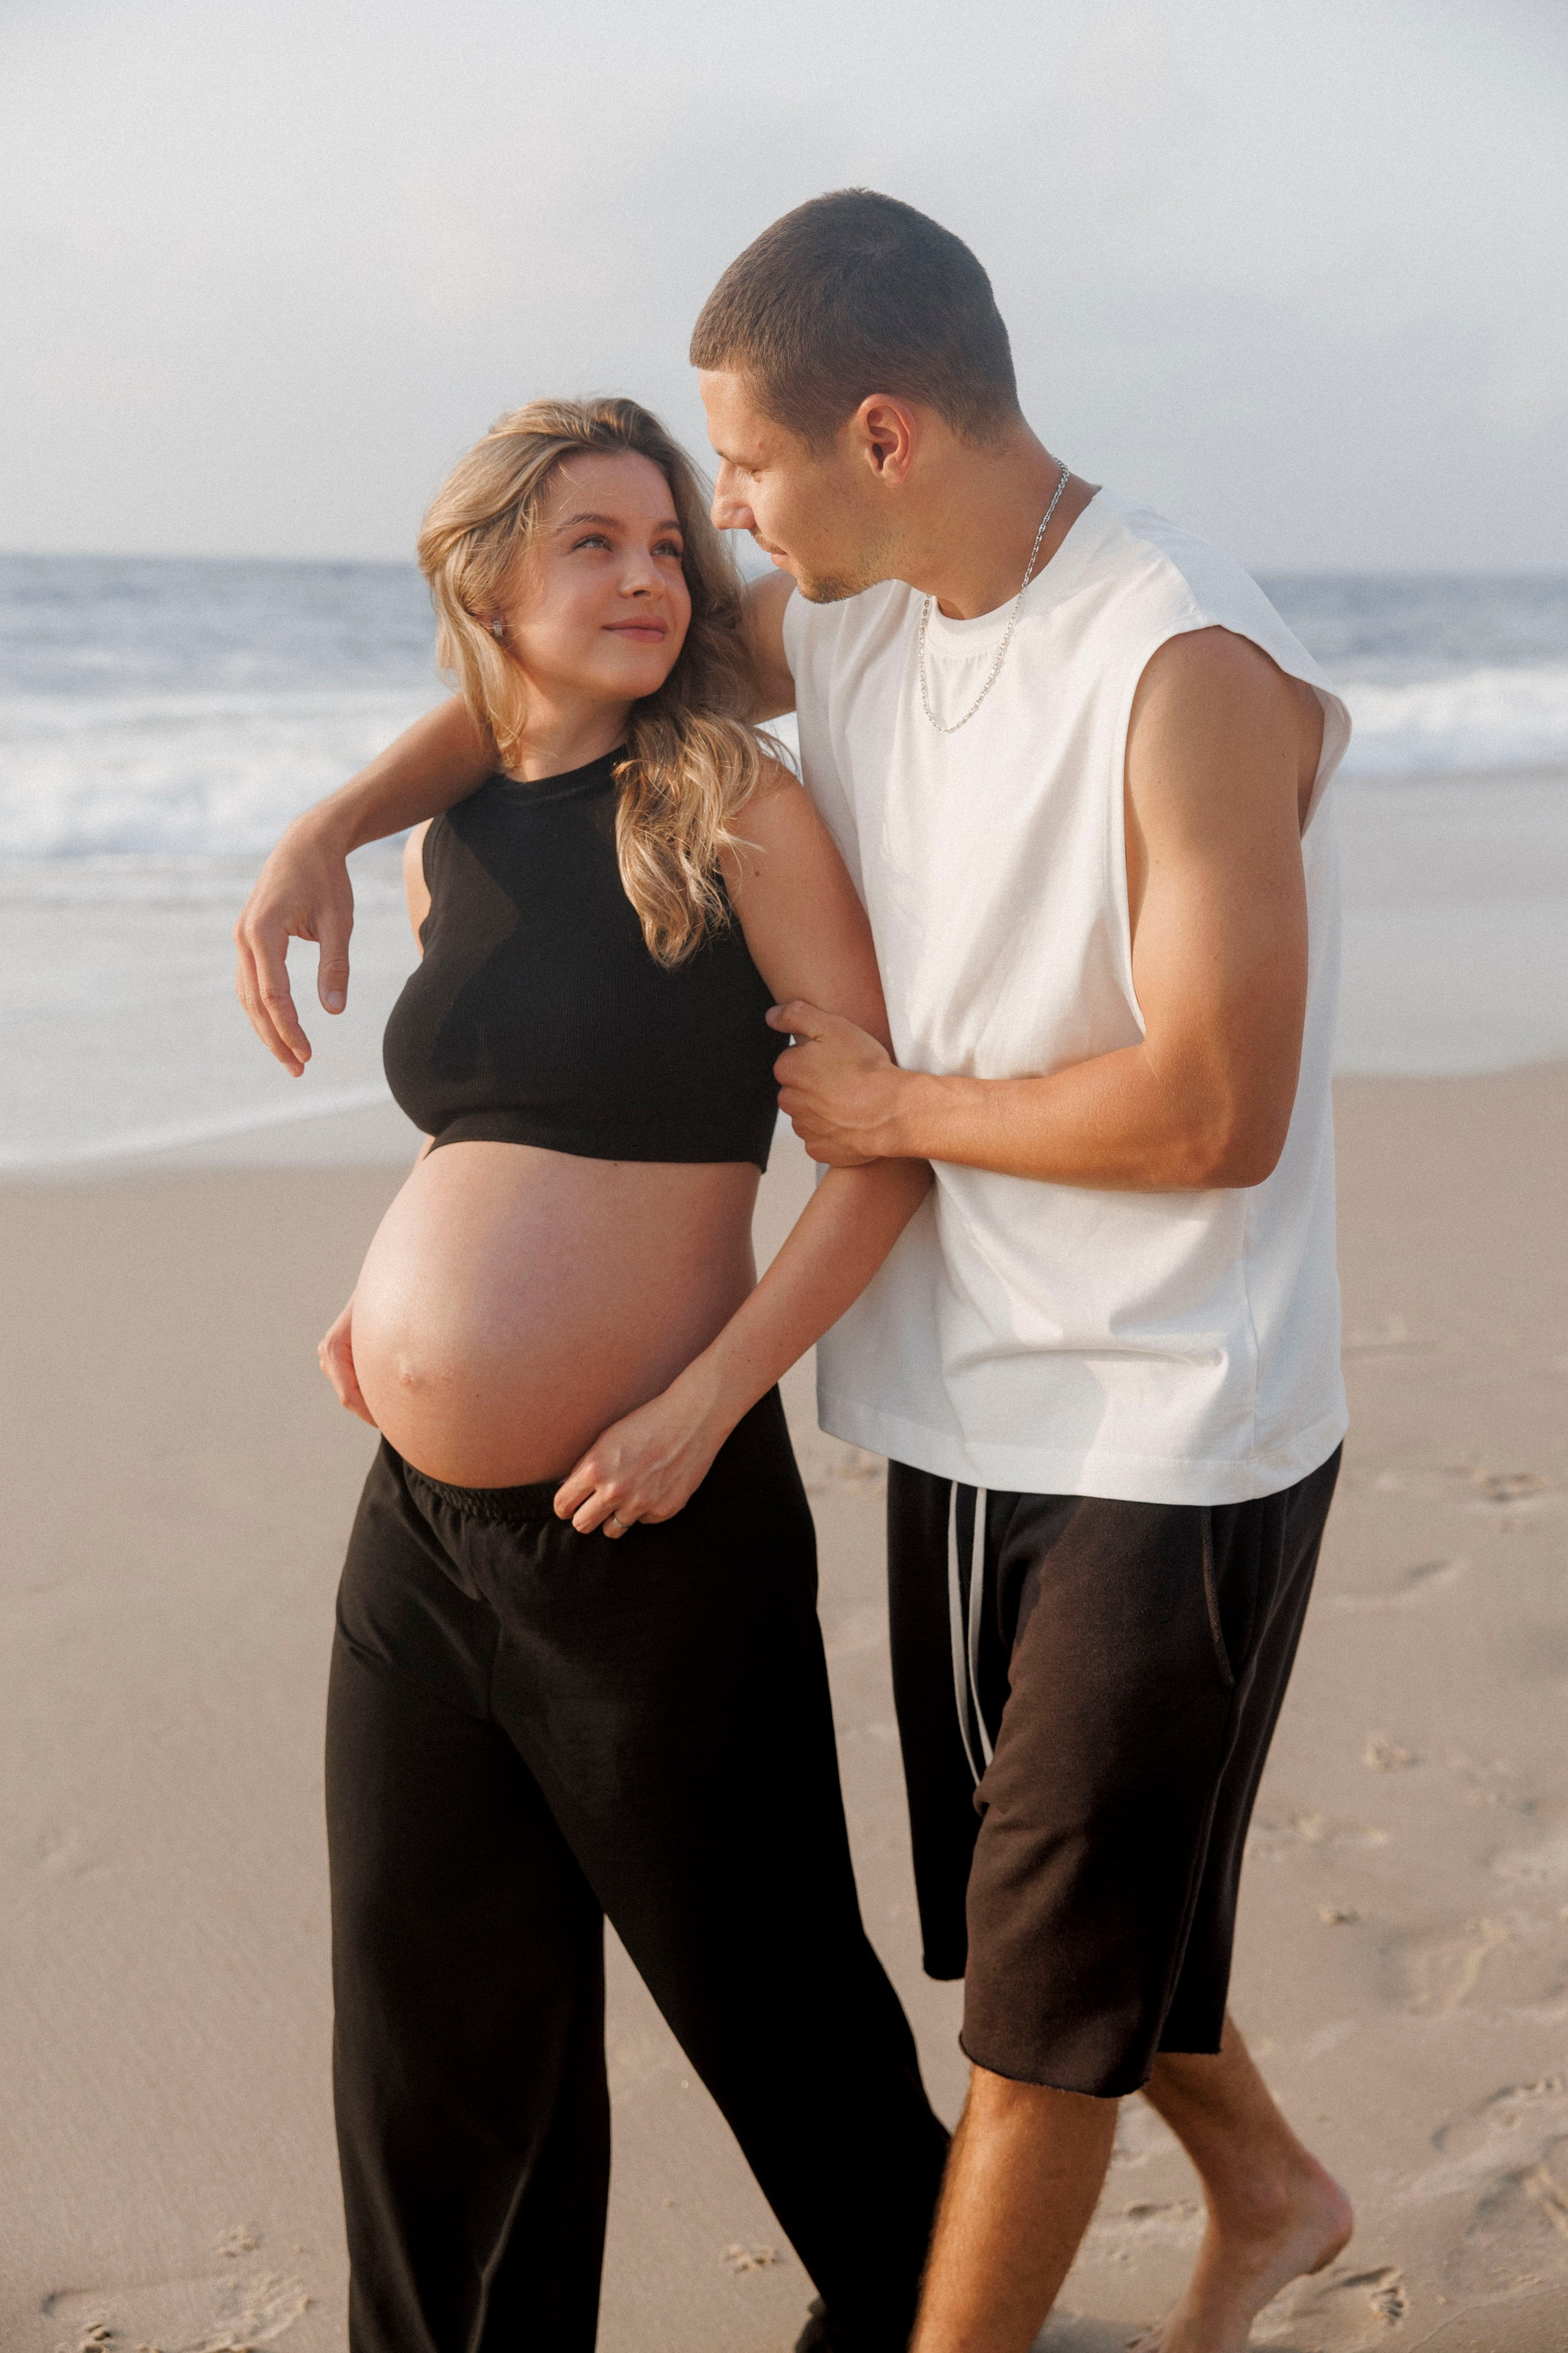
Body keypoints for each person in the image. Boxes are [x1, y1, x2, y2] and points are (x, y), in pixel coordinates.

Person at [238, 195, 1355, 2353]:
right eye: (657, 522)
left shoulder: (1150, 663)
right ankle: (1263, 2185)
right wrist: (328, 826)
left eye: (727, 487)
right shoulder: (838, 619)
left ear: (878, 434)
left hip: (1138, 1409)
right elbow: (531, 688)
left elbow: (1209, 1105)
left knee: (981, 2005)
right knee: (979, 1926)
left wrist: (852, 1172)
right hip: (891, 1414)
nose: (711, 543)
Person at [293, 392, 950, 2353]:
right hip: (419, 1531)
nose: (653, 577)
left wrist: (704, 1403)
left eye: (670, 544)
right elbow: (491, 1118)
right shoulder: (455, 834)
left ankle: (947, 2318)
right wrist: (394, 1293)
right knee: (432, 2026)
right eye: (596, 543)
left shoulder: (735, 808)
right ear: (488, 575)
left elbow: (882, 1152)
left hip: (649, 1517)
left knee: (775, 2003)